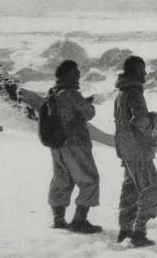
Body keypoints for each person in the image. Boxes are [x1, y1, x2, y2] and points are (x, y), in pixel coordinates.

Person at [47, 60, 102, 233]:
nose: (79, 74)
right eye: (76, 71)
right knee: (89, 180)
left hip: (58, 145)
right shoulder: (70, 94)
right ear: (69, 74)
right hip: (75, 143)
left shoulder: (54, 93)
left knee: (62, 180)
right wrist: (88, 104)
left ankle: (58, 219)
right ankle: (79, 221)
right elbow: (88, 113)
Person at [114, 56, 157, 248]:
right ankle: (138, 232)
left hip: (126, 149)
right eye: (142, 70)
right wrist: (152, 120)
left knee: (131, 190)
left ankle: (125, 230)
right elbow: (140, 121)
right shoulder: (134, 93)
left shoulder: (121, 93)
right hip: (138, 150)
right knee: (152, 189)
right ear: (135, 72)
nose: (145, 74)